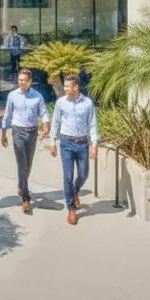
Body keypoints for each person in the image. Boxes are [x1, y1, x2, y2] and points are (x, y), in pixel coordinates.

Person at [49, 75, 98, 226]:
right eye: (64, 87)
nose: (65, 89)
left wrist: (94, 144)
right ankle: (71, 209)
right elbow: (55, 122)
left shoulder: (88, 103)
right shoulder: (61, 103)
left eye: (67, 87)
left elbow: (93, 124)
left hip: (82, 143)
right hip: (66, 143)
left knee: (83, 174)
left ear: (76, 87)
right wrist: (52, 142)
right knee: (67, 177)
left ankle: (75, 191)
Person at [0, 69, 49, 213]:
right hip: (18, 132)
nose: (21, 82)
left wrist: (46, 126)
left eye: (24, 80)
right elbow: (7, 115)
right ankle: (26, 199)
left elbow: (44, 112)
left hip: (32, 132)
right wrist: (3, 132)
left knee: (28, 163)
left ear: (30, 81)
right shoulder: (12, 95)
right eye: (19, 80)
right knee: (21, 163)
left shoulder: (37, 96)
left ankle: (21, 184)